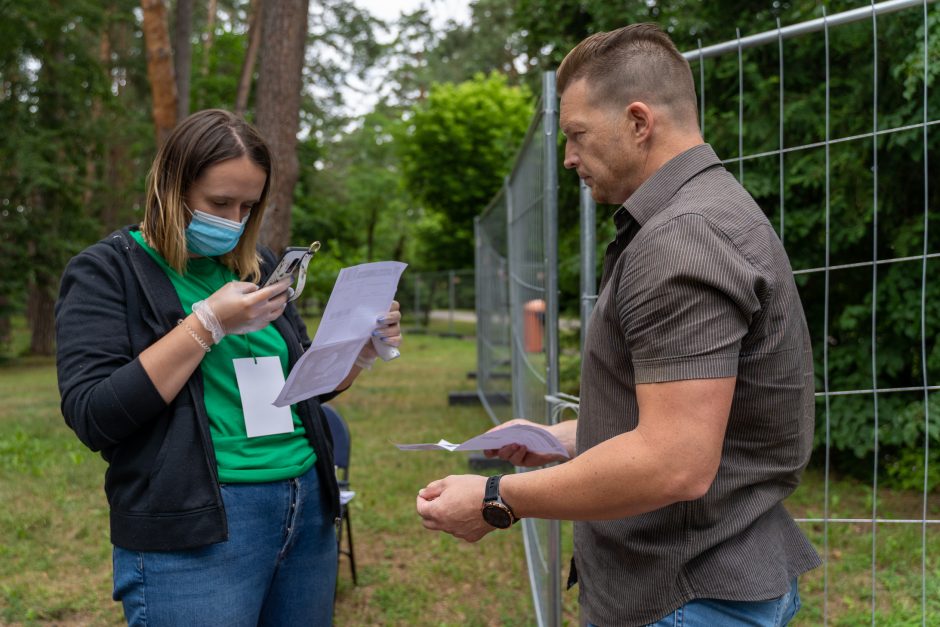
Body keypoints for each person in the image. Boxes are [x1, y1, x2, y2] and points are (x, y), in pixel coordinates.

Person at [416, 23, 820, 626]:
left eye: (576, 135)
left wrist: (497, 500)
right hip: (715, 578)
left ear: (638, 121)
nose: (570, 158)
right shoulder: (707, 209)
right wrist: (565, 438)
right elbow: (699, 417)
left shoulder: (683, 239)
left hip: (683, 595)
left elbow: (674, 461)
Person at [55, 109, 401, 626]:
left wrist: (359, 350)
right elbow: (94, 413)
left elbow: (300, 389)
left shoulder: (255, 265)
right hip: (198, 523)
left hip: (304, 504)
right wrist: (208, 323)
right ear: (170, 188)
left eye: (246, 206)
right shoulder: (108, 271)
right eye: (219, 203)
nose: (233, 219)